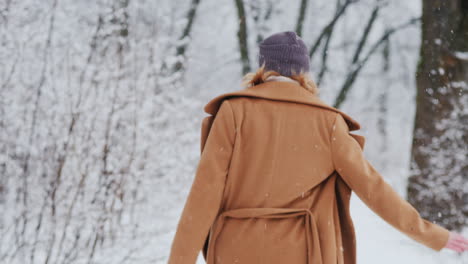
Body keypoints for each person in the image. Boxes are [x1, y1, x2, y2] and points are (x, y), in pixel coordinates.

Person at [168, 31, 468, 264]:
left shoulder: (233, 112)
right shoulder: (328, 123)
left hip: (234, 248)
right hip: (302, 251)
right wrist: (435, 236)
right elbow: (376, 191)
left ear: (263, 67)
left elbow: (203, 195)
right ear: (303, 72)